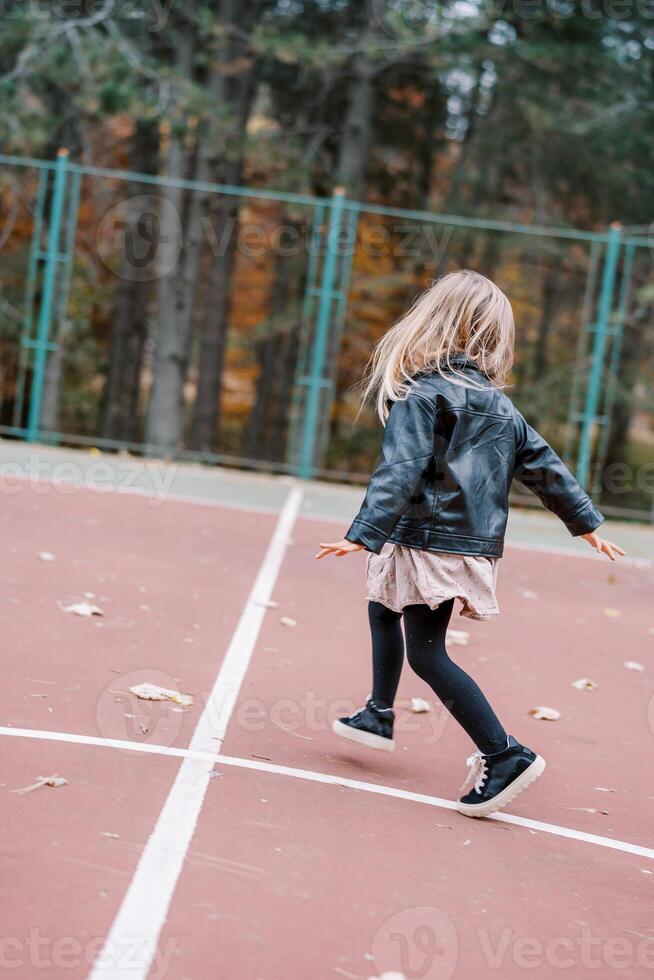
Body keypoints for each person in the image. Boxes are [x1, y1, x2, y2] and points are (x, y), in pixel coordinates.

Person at [316, 269, 624, 818]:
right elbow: (545, 467)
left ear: (431, 322)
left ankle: (504, 755)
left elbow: (400, 470)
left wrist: (361, 534)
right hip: (461, 542)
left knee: (428, 654)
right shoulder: (500, 406)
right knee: (381, 606)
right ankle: (377, 713)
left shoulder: (422, 395)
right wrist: (585, 522)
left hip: (429, 539)